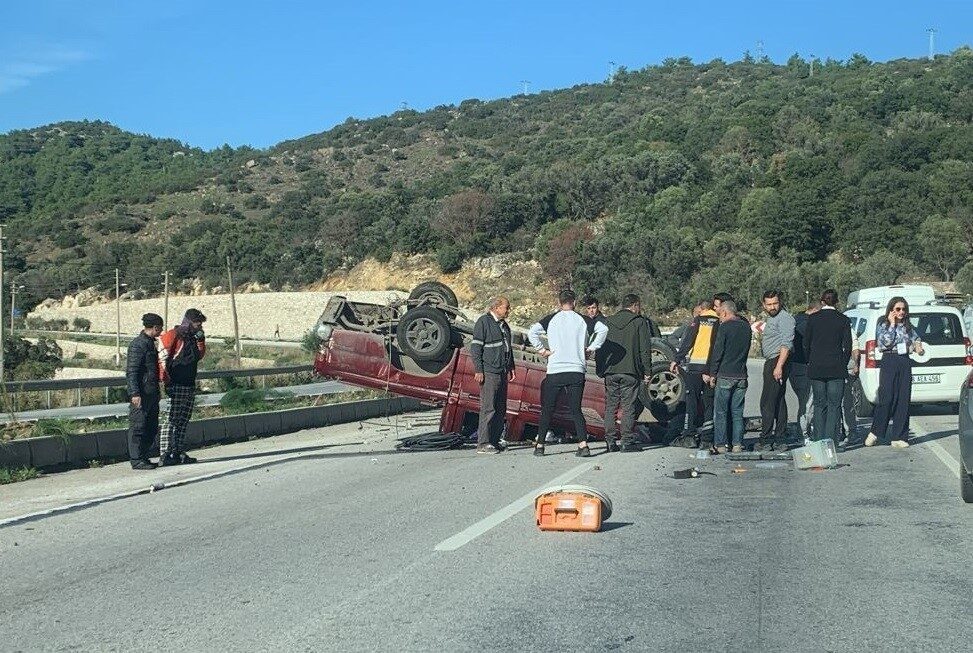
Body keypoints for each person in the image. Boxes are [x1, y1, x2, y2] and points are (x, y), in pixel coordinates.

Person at [528, 289, 608, 457]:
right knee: (576, 409)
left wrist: (542, 350)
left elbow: (532, 332)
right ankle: (583, 445)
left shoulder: (551, 319)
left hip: (556, 369)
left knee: (548, 409)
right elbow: (603, 330)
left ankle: (540, 445)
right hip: (576, 369)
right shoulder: (583, 319)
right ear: (575, 302)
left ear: (559, 303)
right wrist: (591, 348)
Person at [865, 297, 924, 449]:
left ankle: (899, 436)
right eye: (898, 309)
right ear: (891, 310)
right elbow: (884, 343)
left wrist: (918, 347)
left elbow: (916, 338)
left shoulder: (907, 326)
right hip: (889, 360)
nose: (901, 312)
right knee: (887, 397)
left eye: (903, 309)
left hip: (904, 361)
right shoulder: (883, 325)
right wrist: (891, 324)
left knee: (903, 398)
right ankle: (875, 431)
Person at [597, 293, 652, 453]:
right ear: (635, 305)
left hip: (611, 371)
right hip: (631, 371)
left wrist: (601, 368)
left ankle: (610, 441)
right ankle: (626, 441)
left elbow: (600, 346)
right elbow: (645, 349)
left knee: (611, 406)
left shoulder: (607, 322)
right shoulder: (639, 322)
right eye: (639, 306)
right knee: (628, 407)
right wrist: (647, 370)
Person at [158, 308, 207, 466]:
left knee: (183, 420)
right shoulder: (174, 335)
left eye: (200, 323)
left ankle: (177, 452)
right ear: (188, 321)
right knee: (171, 419)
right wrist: (166, 381)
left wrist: (201, 340)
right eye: (197, 322)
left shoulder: (192, 338)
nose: (199, 326)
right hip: (175, 384)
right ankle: (165, 454)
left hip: (189, 384)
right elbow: (162, 357)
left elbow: (198, 356)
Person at [804, 290, 852, 446]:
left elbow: (806, 344)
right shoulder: (843, 320)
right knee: (834, 405)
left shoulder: (812, 319)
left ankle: (818, 440)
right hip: (836, 367)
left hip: (817, 366)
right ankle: (831, 442)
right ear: (836, 302)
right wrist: (842, 362)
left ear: (822, 301)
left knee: (819, 404)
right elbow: (848, 346)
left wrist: (810, 360)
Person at [670, 299, 719, 449]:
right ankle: (707, 438)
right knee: (709, 403)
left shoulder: (698, 321)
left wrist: (676, 360)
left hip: (695, 369)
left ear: (702, 309)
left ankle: (689, 435)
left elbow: (688, 342)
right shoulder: (719, 322)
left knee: (691, 402)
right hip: (711, 369)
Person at [705, 300, 752, 453]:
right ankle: (737, 444)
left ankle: (720, 444)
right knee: (737, 412)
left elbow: (718, 352)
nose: (720, 318)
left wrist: (713, 373)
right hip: (741, 376)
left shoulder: (724, 327)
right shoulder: (746, 328)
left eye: (719, 315)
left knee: (721, 412)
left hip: (725, 375)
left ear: (725, 312)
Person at [471, 297, 516, 454]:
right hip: (489, 372)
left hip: (502, 372)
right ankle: (483, 443)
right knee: (488, 408)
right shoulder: (484, 322)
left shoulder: (504, 326)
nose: (508, 310)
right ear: (496, 307)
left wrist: (511, 366)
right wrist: (478, 370)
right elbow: (476, 348)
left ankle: (495, 441)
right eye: (506, 307)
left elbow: (507, 348)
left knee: (500, 408)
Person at [754, 290, 795, 452]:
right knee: (778, 401)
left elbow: (787, 343)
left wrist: (779, 366)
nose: (772, 307)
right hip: (773, 360)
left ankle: (766, 439)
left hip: (778, 361)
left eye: (775, 303)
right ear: (764, 305)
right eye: (769, 304)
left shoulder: (785, 318)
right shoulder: (773, 318)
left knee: (768, 401)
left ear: (780, 302)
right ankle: (779, 438)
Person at [126, 313, 164, 470]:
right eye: (160, 328)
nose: (161, 331)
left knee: (151, 426)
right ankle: (136, 459)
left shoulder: (150, 344)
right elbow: (132, 371)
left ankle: (144, 456)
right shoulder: (138, 345)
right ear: (155, 327)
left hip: (152, 393)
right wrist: (135, 393)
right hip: (141, 394)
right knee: (138, 426)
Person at [790, 301, 821, 441]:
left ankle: (803, 432)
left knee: (805, 401)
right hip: (802, 367)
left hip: (795, 367)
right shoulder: (805, 323)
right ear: (814, 311)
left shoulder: (797, 319)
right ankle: (802, 433)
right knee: (806, 402)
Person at [840, 324, 863, 447]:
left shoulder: (847, 327)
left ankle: (849, 431)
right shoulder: (845, 326)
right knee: (844, 402)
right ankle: (847, 431)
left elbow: (855, 349)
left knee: (845, 402)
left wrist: (855, 364)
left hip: (843, 369)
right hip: (841, 368)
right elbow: (855, 349)